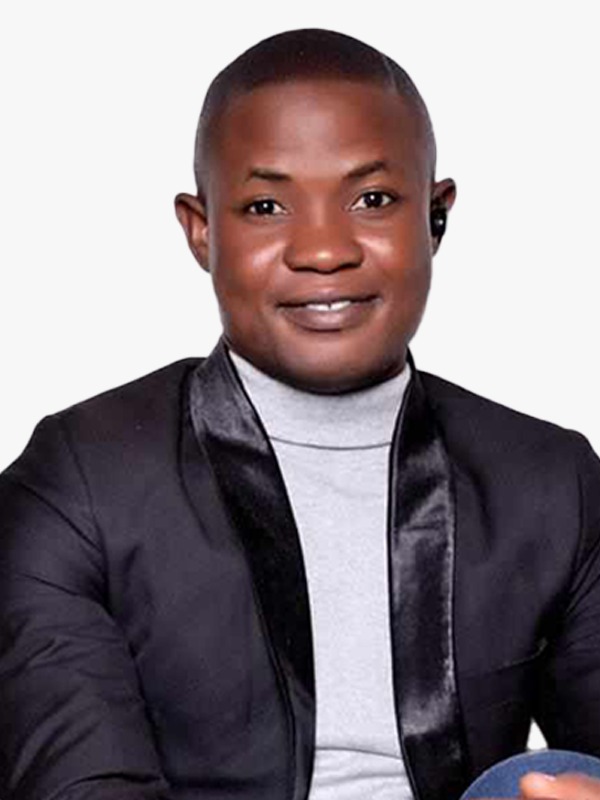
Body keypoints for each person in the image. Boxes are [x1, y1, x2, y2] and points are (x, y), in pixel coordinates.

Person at [1, 27, 600, 800]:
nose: (323, 250)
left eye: (372, 200)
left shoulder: (550, 480)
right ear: (202, 231)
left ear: (435, 217)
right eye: (265, 206)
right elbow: (78, 785)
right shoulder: (79, 480)